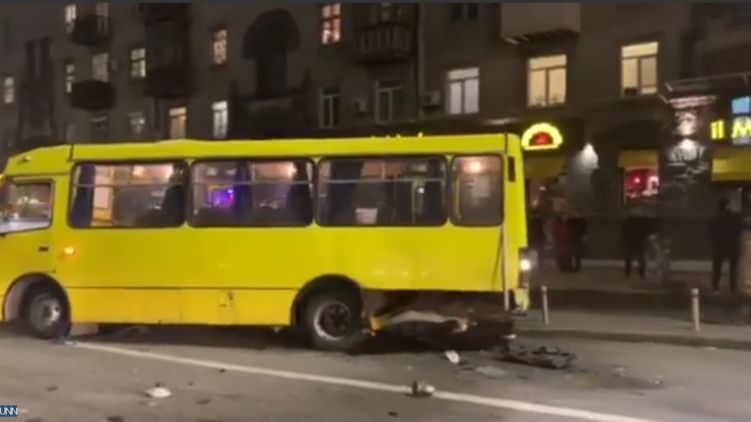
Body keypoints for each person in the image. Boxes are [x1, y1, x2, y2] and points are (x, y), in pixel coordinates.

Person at [710, 198, 743, 293]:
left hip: (719, 245)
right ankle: (733, 287)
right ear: (728, 205)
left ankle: (715, 287)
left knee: (717, 268)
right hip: (732, 245)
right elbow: (739, 229)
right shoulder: (734, 217)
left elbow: (711, 231)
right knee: (733, 268)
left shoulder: (715, 217)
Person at [622, 207, 652, 279]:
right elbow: (642, 232)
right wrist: (644, 238)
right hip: (636, 242)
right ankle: (639, 273)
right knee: (638, 258)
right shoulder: (637, 222)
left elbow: (624, 232)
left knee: (633, 258)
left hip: (633, 242)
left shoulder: (629, 222)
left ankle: (631, 272)